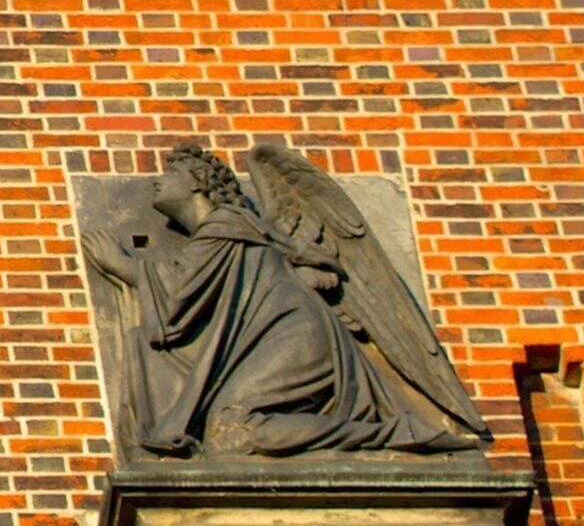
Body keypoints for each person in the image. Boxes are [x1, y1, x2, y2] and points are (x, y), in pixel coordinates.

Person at [82, 142, 472, 458]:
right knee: (230, 432)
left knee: (233, 428)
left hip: (295, 336)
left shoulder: (228, 225)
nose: (158, 181)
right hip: (271, 336)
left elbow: (181, 288)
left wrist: (122, 266)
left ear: (198, 184)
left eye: (172, 174)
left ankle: (393, 433)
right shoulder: (227, 233)